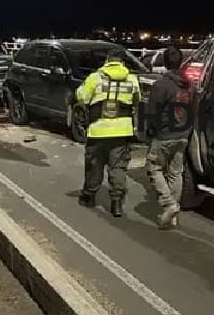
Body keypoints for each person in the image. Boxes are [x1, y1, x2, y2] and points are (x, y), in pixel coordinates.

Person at [75, 48, 141, 217]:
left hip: (98, 130)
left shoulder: (95, 77)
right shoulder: (132, 79)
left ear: (107, 61)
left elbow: (81, 97)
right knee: (117, 167)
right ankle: (116, 203)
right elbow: (137, 100)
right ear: (122, 62)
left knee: (94, 165)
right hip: (122, 132)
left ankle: (89, 196)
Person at [145, 46, 191, 228]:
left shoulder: (161, 85)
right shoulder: (188, 84)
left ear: (164, 62)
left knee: (153, 168)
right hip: (183, 133)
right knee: (175, 173)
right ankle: (173, 214)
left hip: (165, 134)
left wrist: (149, 131)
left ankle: (169, 204)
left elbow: (152, 112)